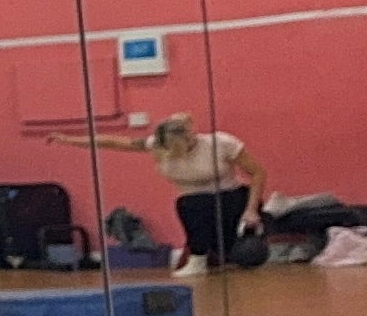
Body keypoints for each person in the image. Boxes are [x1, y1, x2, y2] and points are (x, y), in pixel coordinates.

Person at [61, 112, 267, 268]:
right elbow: (115, 142)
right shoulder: (157, 144)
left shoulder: (221, 143)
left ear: (189, 139)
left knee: (239, 252)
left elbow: (257, 173)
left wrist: (251, 210)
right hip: (194, 205)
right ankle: (198, 257)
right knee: (188, 203)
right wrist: (70, 140)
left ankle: (219, 251)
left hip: (231, 198)